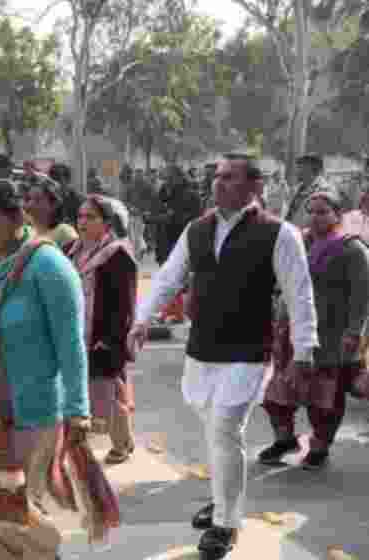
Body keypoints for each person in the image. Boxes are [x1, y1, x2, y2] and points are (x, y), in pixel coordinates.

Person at [129, 154, 318, 560]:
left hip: (248, 351)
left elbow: (299, 292)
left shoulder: (279, 233)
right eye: (217, 177)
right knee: (213, 428)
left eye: (229, 178)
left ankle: (226, 524)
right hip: (201, 349)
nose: (218, 184)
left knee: (224, 429)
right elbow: (167, 278)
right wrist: (141, 320)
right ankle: (223, 497)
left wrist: (304, 349)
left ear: (255, 187)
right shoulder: (197, 230)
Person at [0, 179, 119, 560]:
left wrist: (78, 410)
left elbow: (71, 346)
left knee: (12, 509)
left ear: (20, 219)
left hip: (34, 412)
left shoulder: (48, 267)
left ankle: (51, 552)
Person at [261, 190, 369, 470]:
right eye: (312, 211)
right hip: (292, 332)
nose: (316, 217)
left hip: (331, 335)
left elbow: (361, 297)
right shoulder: (298, 243)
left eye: (323, 212)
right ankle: (284, 439)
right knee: (278, 394)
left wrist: (353, 333)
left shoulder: (352, 250)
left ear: (338, 215)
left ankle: (320, 446)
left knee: (325, 399)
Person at [68, 195, 139, 464]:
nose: (83, 222)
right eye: (80, 216)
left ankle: (122, 443)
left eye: (90, 217)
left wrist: (110, 339)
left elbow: (125, 304)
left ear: (107, 223)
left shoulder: (118, 254)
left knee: (111, 390)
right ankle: (78, 445)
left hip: (104, 335)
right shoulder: (72, 250)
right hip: (76, 332)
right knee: (80, 388)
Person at [22, 173, 79, 252]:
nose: (30, 204)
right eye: (29, 199)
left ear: (54, 204)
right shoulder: (26, 232)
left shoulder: (64, 232)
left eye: (37, 200)